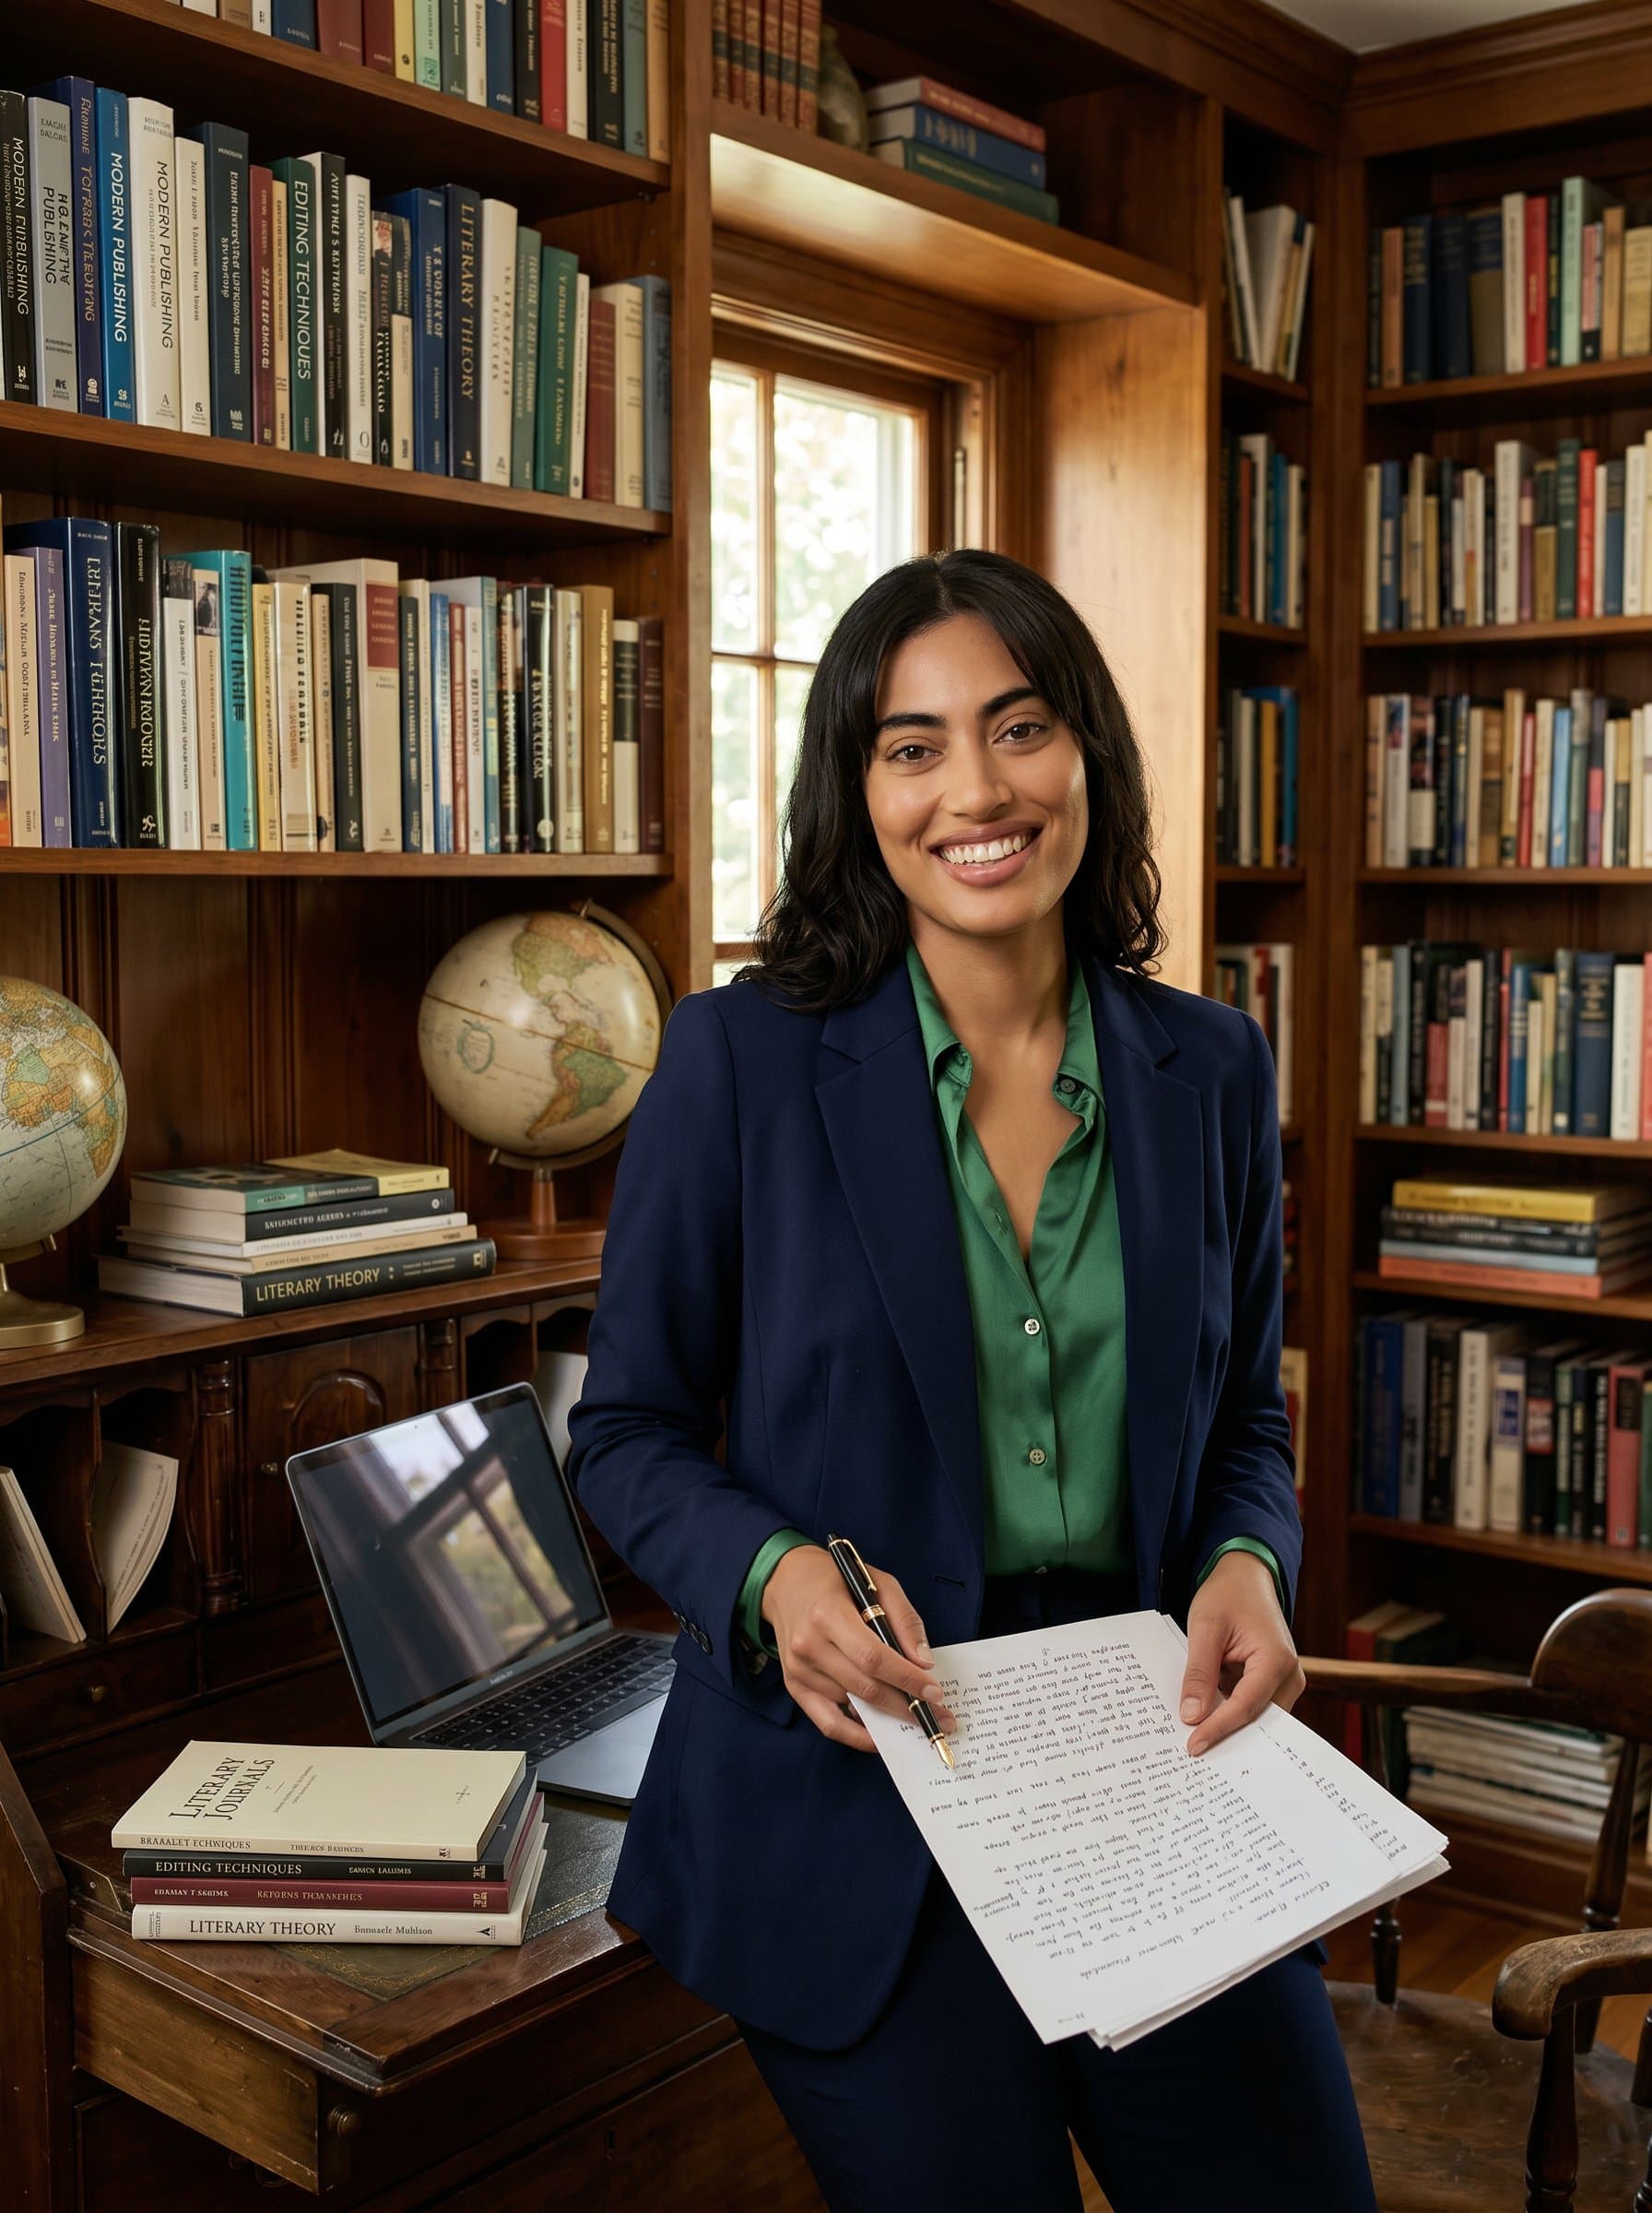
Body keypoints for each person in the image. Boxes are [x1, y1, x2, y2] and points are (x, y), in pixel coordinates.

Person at [565, 550, 1375, 2212]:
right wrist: (775, 1575)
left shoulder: (1213, 1067)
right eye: (913, 746)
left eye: (1019, 728)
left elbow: (1244, 1419)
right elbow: (627, 1433)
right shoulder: (737, 1059)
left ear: (1087, 751)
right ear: (858, 794)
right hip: (858, 1808)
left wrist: (1249, 1561)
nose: (978, 792)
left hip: (1147, 1773)